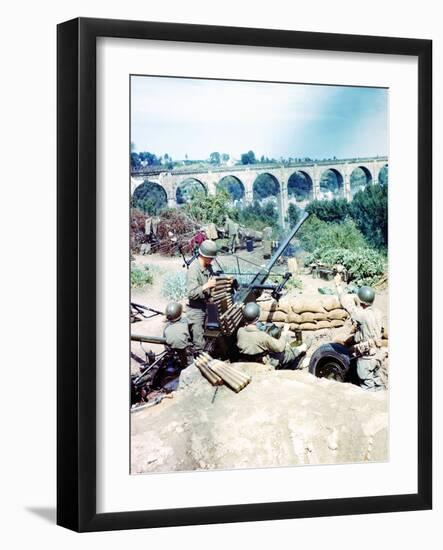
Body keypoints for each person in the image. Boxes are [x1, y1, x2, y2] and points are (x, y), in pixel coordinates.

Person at [335, 277, 386, 391]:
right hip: (377, 355)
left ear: (361, 301)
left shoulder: (362, 315)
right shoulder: (378, 313)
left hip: (366, 359)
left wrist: (338, 285)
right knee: (377, 382)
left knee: (367, 386)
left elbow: (345, 303)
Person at [236, 302, 307, 369]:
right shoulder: (262, 336)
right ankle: (299, 351)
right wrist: (284, 333)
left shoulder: (240, 331)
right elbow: (280, 347)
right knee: (284, 354)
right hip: (260, 364)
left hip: (246, 362)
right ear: (257, 318)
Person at [185, 240, 218, 350]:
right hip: (196, 310)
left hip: (207, 306)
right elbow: (191, 293)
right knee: (199, 344)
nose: (212, 260)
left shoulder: (208, 267)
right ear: (204, 256)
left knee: (212, 336)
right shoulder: (194, 269)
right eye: (211, 258)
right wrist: (206, 286)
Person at [163, 302, 192, 369]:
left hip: (170, 347)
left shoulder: (167, 327)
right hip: (182, 347)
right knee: (183, 354)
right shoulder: (185, 322)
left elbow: (164, 337)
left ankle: (170, 365)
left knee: (170, 352)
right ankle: (184, 365)